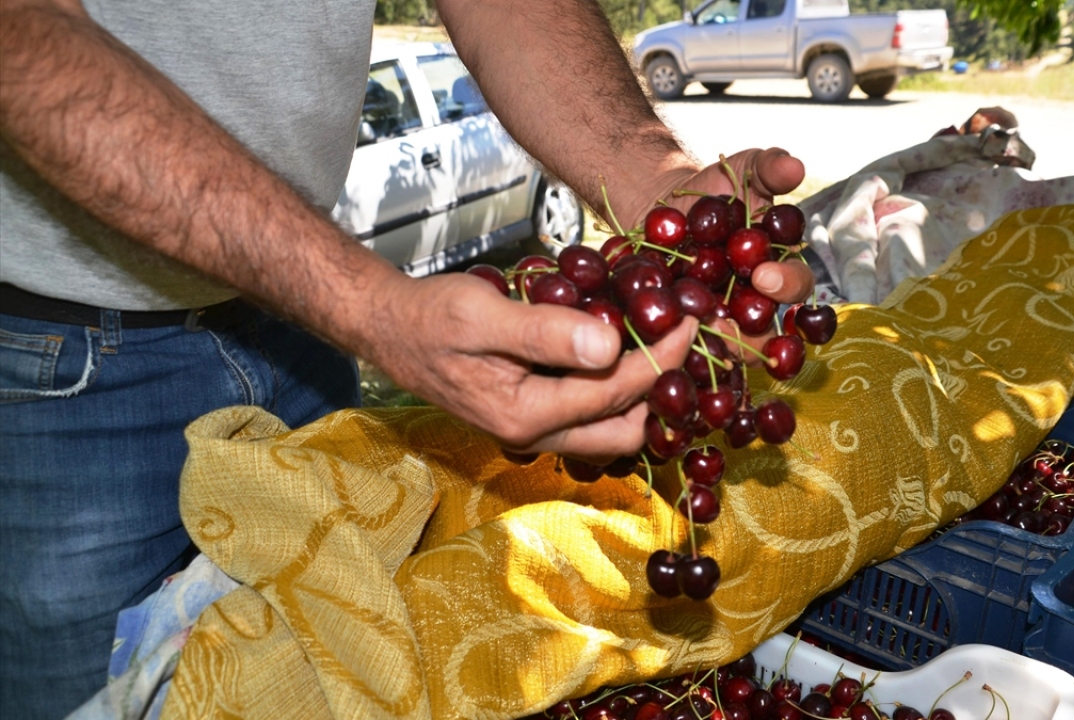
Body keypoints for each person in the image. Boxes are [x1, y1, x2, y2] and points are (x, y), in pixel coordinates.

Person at [0, 0, 812, 717]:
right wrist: (365, 303)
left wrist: (653, 182)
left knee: (333, 679)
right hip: (61, 367)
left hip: (299, 322)